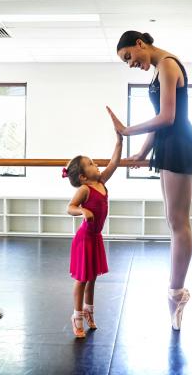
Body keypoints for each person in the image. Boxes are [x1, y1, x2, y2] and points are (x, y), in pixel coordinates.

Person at [107, 30, 192, 331]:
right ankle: (176, 292)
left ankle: (177, 292)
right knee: (173, 221)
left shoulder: (169, 65)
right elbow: (160, 120)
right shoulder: (159, 69)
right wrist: (141, 152)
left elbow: (168, 118)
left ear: (140, 44)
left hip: (179, 144)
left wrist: (127, 129)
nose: (130, 63)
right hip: (167, 146)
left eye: (129, 57)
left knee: (179, 222)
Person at [63, 124, 122, 338]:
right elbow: (69, 207)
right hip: (84, 239)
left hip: (95, 238)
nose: (95, 164)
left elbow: (114, 164)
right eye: (90, 164)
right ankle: (76, 316)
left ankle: (89, 311)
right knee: (82, 279)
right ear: (83, 177)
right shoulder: (85, 189)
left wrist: (119, 141)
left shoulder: (101, 182)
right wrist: (82, 210)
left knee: (93, 278)